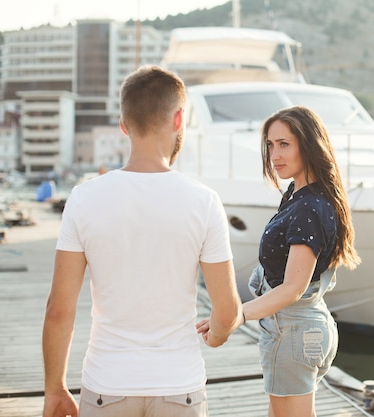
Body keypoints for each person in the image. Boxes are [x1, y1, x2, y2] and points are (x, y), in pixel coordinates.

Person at [42, 65, 243, 417]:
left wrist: (55, 389)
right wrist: (218, 335)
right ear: (179, 119)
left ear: (124, 124)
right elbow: (226, 312)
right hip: (179, 386)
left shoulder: (84, 198)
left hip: (108, 384)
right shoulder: (203, 200)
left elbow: (60, 310)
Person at [198, 105, 360, 417]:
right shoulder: (304, 194)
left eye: (284, 144)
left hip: (293, 332)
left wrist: (235, 315)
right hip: (305, 327)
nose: (275, 155)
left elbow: (292, 289)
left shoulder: (309, 207)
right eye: (271, 145)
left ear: (308, 144)